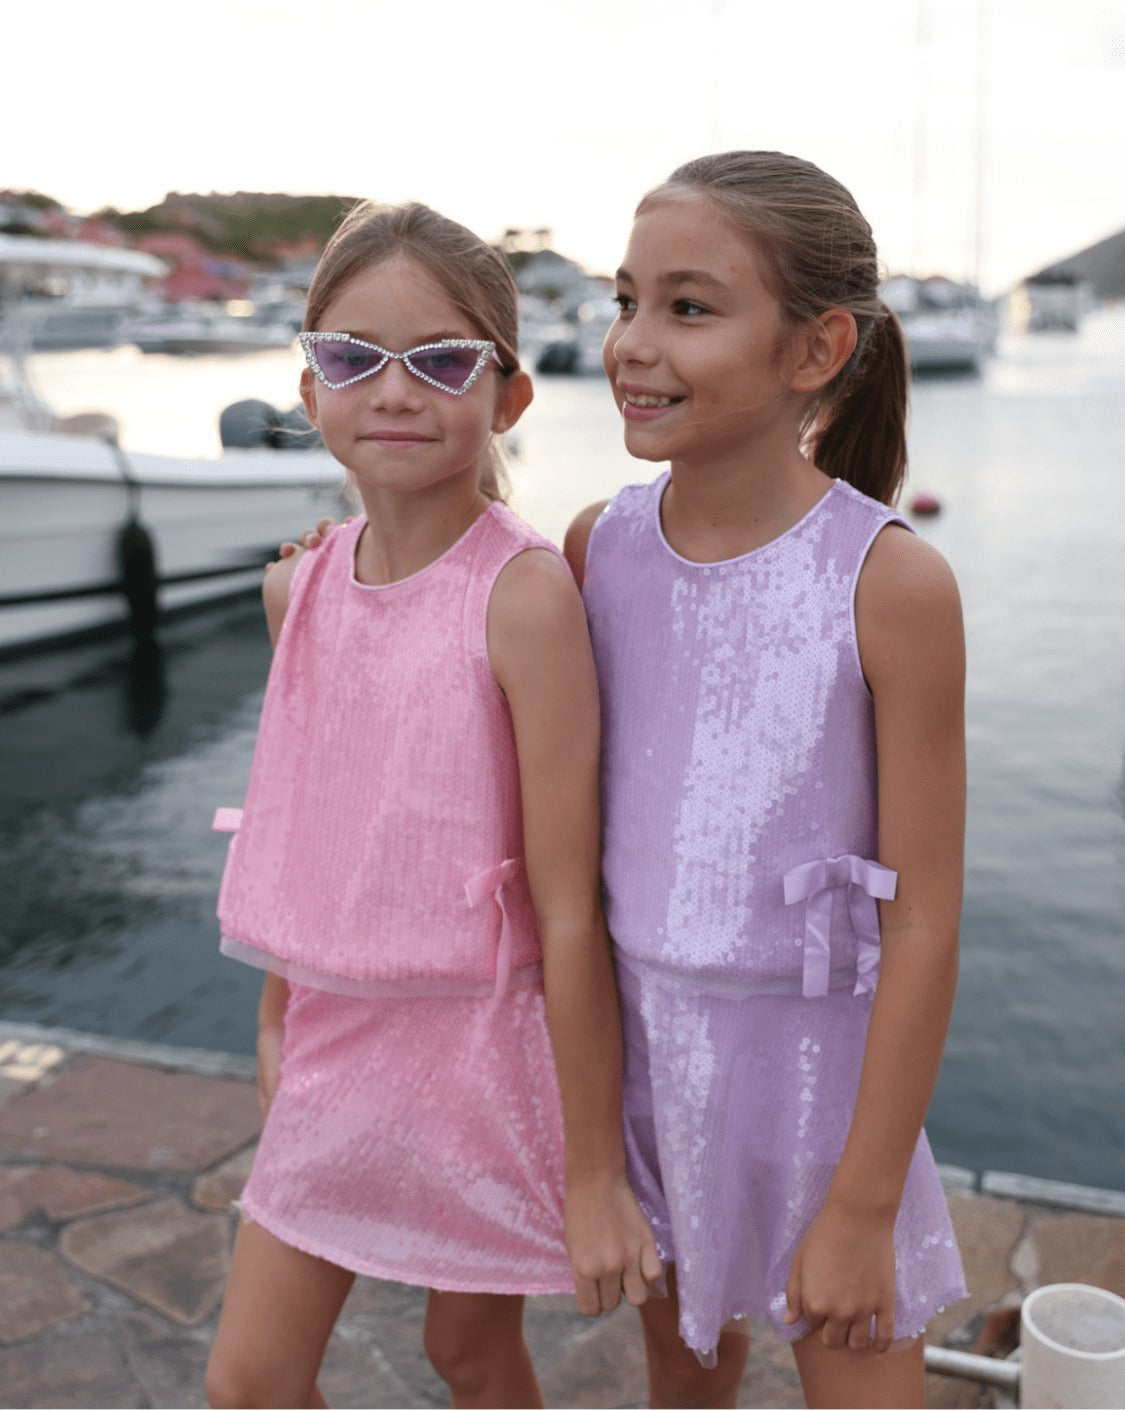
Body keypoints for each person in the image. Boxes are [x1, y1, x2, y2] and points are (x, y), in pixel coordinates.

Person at [204, 199, 659, 1410]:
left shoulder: (523, 597)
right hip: (335, 1039)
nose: (395, 392)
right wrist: (276, 1015)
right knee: (249, 1382)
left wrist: (595, 1174)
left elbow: (569, 905)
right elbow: (309, 824)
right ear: (311, 391)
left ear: (507, 397)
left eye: (443, 361)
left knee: (467, 1351)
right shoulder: (295, 590)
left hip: (481, 1050)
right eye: (354, 358)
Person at [562, 151, 968, 1409]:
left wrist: (862, 1203)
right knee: (683, 1380)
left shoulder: (889, 583)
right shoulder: (595, 549)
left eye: (687, 307)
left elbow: (926, 922)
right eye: (627, 299)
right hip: (650, 1067)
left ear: (816, 349)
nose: (633, 341)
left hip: (823, 1094)